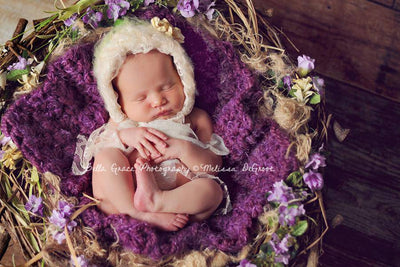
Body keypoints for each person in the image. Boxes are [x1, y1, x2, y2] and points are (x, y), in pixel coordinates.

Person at [72, 18, 231, 231]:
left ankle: (157, 201)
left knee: (213, 191)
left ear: (184, 79)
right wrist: (127, 136)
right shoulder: (124, 123)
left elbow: (211, 167)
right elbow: (97, 146)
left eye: (167, 87)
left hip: (177, 201)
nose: (158, 101)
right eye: (140, 98)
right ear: (118, 102)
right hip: (126, 197)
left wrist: (184, 149)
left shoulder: (195, 118)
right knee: (106, 158)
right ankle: (136, 212)